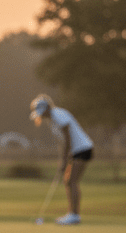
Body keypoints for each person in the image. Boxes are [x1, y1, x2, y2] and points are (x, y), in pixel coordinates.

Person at [30, 94, 93, 225]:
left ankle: (74, 215)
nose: (41, 115)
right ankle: (73, 214)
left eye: (42, 112)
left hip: (82, 149)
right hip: (77, 150)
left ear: (48, 108)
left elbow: (67, 136)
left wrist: (64, 159)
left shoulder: (58, 114)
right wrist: (63, 159)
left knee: (71, 181)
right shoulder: (52, 119)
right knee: (69, 181)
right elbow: (62, 141)